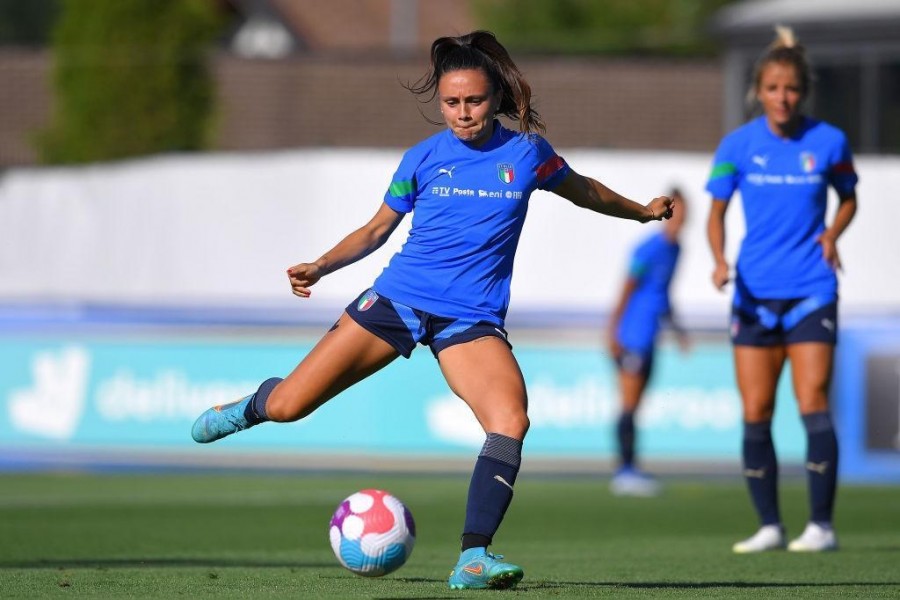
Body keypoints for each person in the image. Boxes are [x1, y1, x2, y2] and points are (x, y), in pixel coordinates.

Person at [191, 30, 674, 589]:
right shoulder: (422, 158)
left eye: (474, 101)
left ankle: (474, 556)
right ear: (439, 102)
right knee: (290, 406)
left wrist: (639, 211)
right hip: (397, 301)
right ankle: (253, 404)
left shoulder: (527, 155)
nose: (463, 113)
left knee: (510, 420)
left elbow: (585, 190)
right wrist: (321, 266)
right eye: (451, 102)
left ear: (496, 99)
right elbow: (376, 229)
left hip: (470, 320)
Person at [705, 26, 858, 554]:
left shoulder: (830, 141)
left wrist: (834, 234)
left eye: (791, 89)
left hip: (812, 289)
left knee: (813, 400)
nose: (782, 98)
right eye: (772, 88)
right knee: (756, 410)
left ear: (803, 91)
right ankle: (770, 524)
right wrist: (720, 260)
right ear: (758, 90)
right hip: (752, 294)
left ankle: (822, 525)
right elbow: (716, 213)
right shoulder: (737, 145)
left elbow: (849, 198)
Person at [606, 187, 688, 497]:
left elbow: (663, 294)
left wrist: (677, 330)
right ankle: (624, 472)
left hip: (651, 335)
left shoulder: (676, 249)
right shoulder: (649, 248)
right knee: (628, 402)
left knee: (636, 404)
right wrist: (613, 331)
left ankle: (630, 468)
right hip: (632, 334)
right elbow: (627, 288)